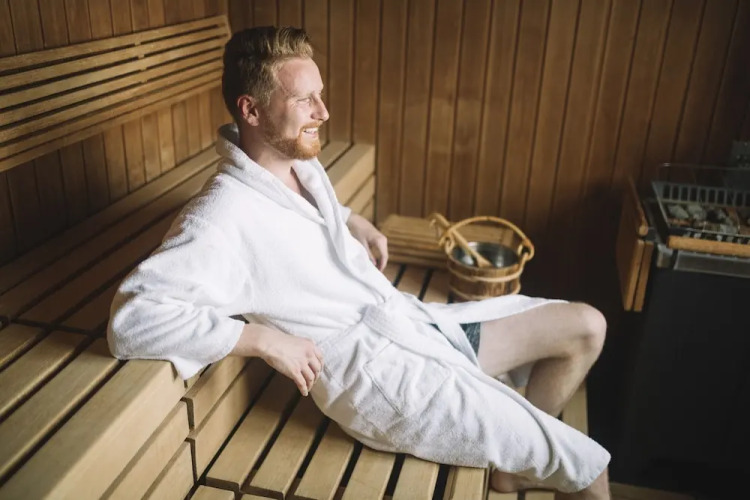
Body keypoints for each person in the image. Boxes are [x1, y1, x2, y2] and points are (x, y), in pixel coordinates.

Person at [107, 26, 611, 499]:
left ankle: (515, 466)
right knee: (590, 465)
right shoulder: (222, 215)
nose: (323, 111)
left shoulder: (296, 164)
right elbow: (133, 318)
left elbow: (303, 218)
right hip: (388, 384)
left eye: (320, 94)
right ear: (252, 110)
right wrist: (263, 340)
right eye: (304, 100)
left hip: (414, 328)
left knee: (587, 327)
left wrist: (354, 221)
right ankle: (530, 448)